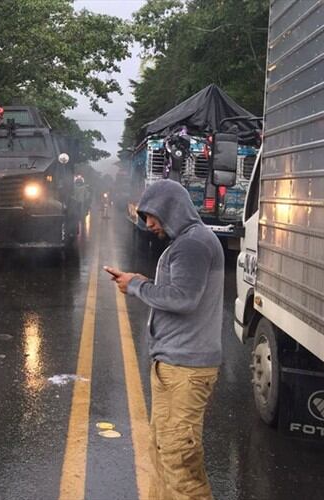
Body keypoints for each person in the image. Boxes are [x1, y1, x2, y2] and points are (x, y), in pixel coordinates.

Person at [106, 179, 223, 500]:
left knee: (179, 462)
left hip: (186, 370)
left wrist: (135, 286)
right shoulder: (187, 243)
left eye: (152, 215)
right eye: (145, 216)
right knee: (162, 453)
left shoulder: (192, 245)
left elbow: (184, 298)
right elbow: (179, 291)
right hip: (174, 366)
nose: (149, 224)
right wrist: (142, 281)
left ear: (172, 208)